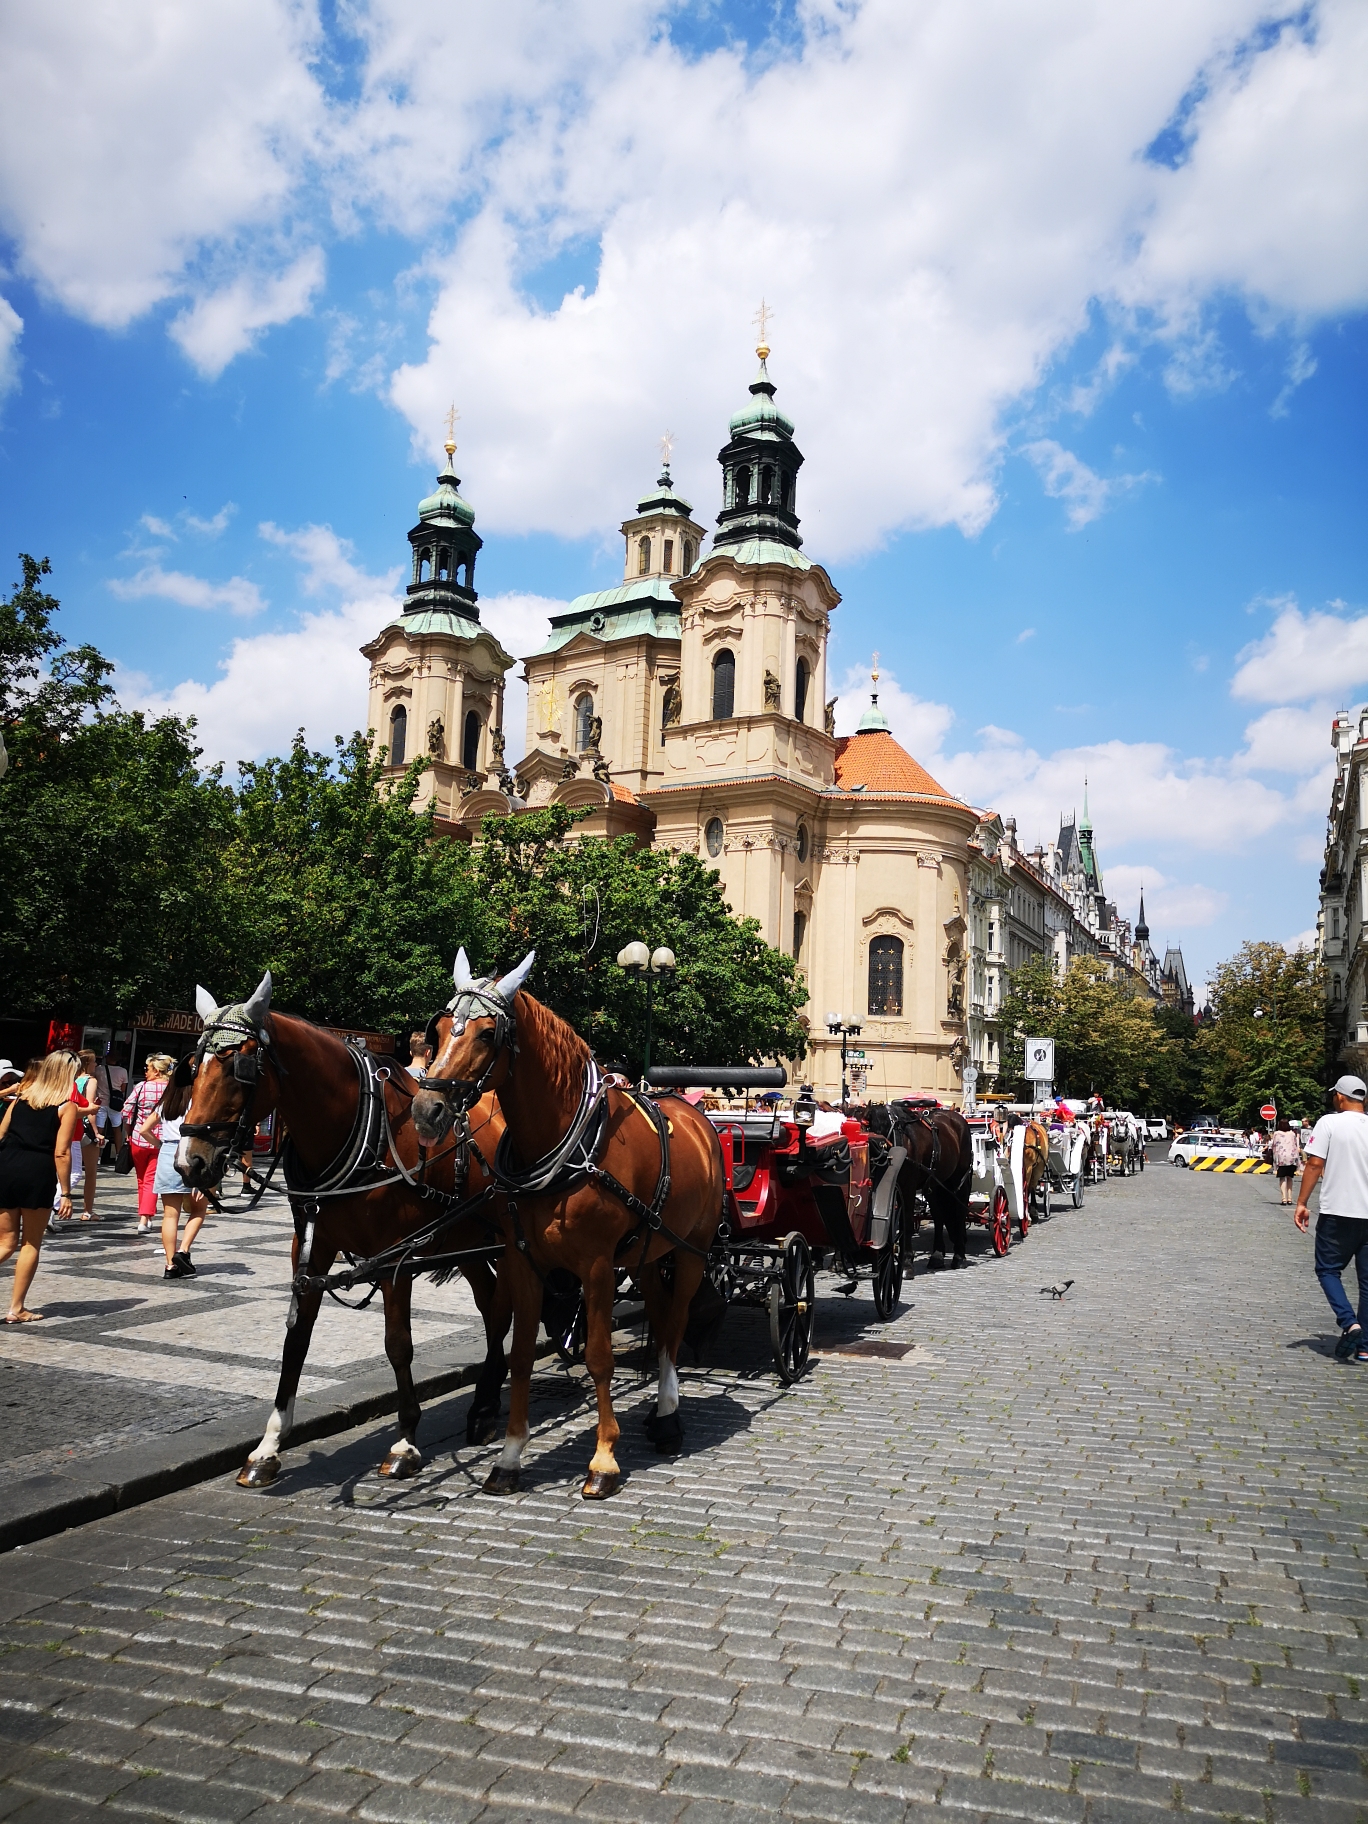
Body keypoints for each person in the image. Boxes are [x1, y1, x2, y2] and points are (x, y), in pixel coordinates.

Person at [0, 1050, 82, 1322]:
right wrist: (67, 1193)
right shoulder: (66, 1105)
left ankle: (16, 1308)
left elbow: (1, 1133)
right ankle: (16, 1308)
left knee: (5, 1242)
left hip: (7, 1165)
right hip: (37, 1170)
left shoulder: (22, 1097)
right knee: (30, 1243)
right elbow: (61, 1152)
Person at [1295, 1074, 1368, 1363]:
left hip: (1339, 1211)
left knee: (1327, 1270)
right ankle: (1364, 1347)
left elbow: (1314, 1163)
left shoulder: (1329, 1123)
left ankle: (1349, 1323)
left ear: (1340, 1096)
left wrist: (1301, 1202)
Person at [137, 1071, 208, 1279]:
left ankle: (170, 1264)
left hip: (168, 1153)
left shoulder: (166, 1103)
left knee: (170, 1214)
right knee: (198, 1209)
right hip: (193, 1152)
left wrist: (160, 1145)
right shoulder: (197, 1102)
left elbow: (143, 1130)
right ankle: (183, 1251)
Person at [124, 1055, 172, 1235]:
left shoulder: (141, 1087)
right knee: (151, 1180)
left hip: (138, 1138)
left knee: (142, 1179)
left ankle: (146, 1216)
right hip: (160, 1141)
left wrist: (128, 1133)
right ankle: (145, 1218)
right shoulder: (171, 1090)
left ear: (157, 1071)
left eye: (148, 1069)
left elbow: (127, 1111)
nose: (145, 1072)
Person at [72, 1049, 103, 1219]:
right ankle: (87, 1211)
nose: (96, 1064)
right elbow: (90, 1108)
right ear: (87, 1064)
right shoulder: (91, 1081)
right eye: (93, 1062)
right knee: (91, 1172)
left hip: (71, 1125)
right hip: (85, 1127)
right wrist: (96, 1132)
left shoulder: (73, 1080)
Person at [97, 1047, 128, 1166]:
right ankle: (118, 1155)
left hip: (101, 1102)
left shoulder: (99, 1069)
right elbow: (123, 1089)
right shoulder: (123, 1071)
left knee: (100, 1129)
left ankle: (98, 1155)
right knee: (117, 1128)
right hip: (115, 1103)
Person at [1269, 1116, 1302, 1207]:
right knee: (1290, 1177)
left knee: (1282, 1178)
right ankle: (1290, 1198)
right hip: (1292, 1157)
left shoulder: (1277, 1134)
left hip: (1281, 1158)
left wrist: (1275, 1164)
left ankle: (1284, 1198)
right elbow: (1296, 1146)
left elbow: (1274, 1147)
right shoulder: (1292, 1134)